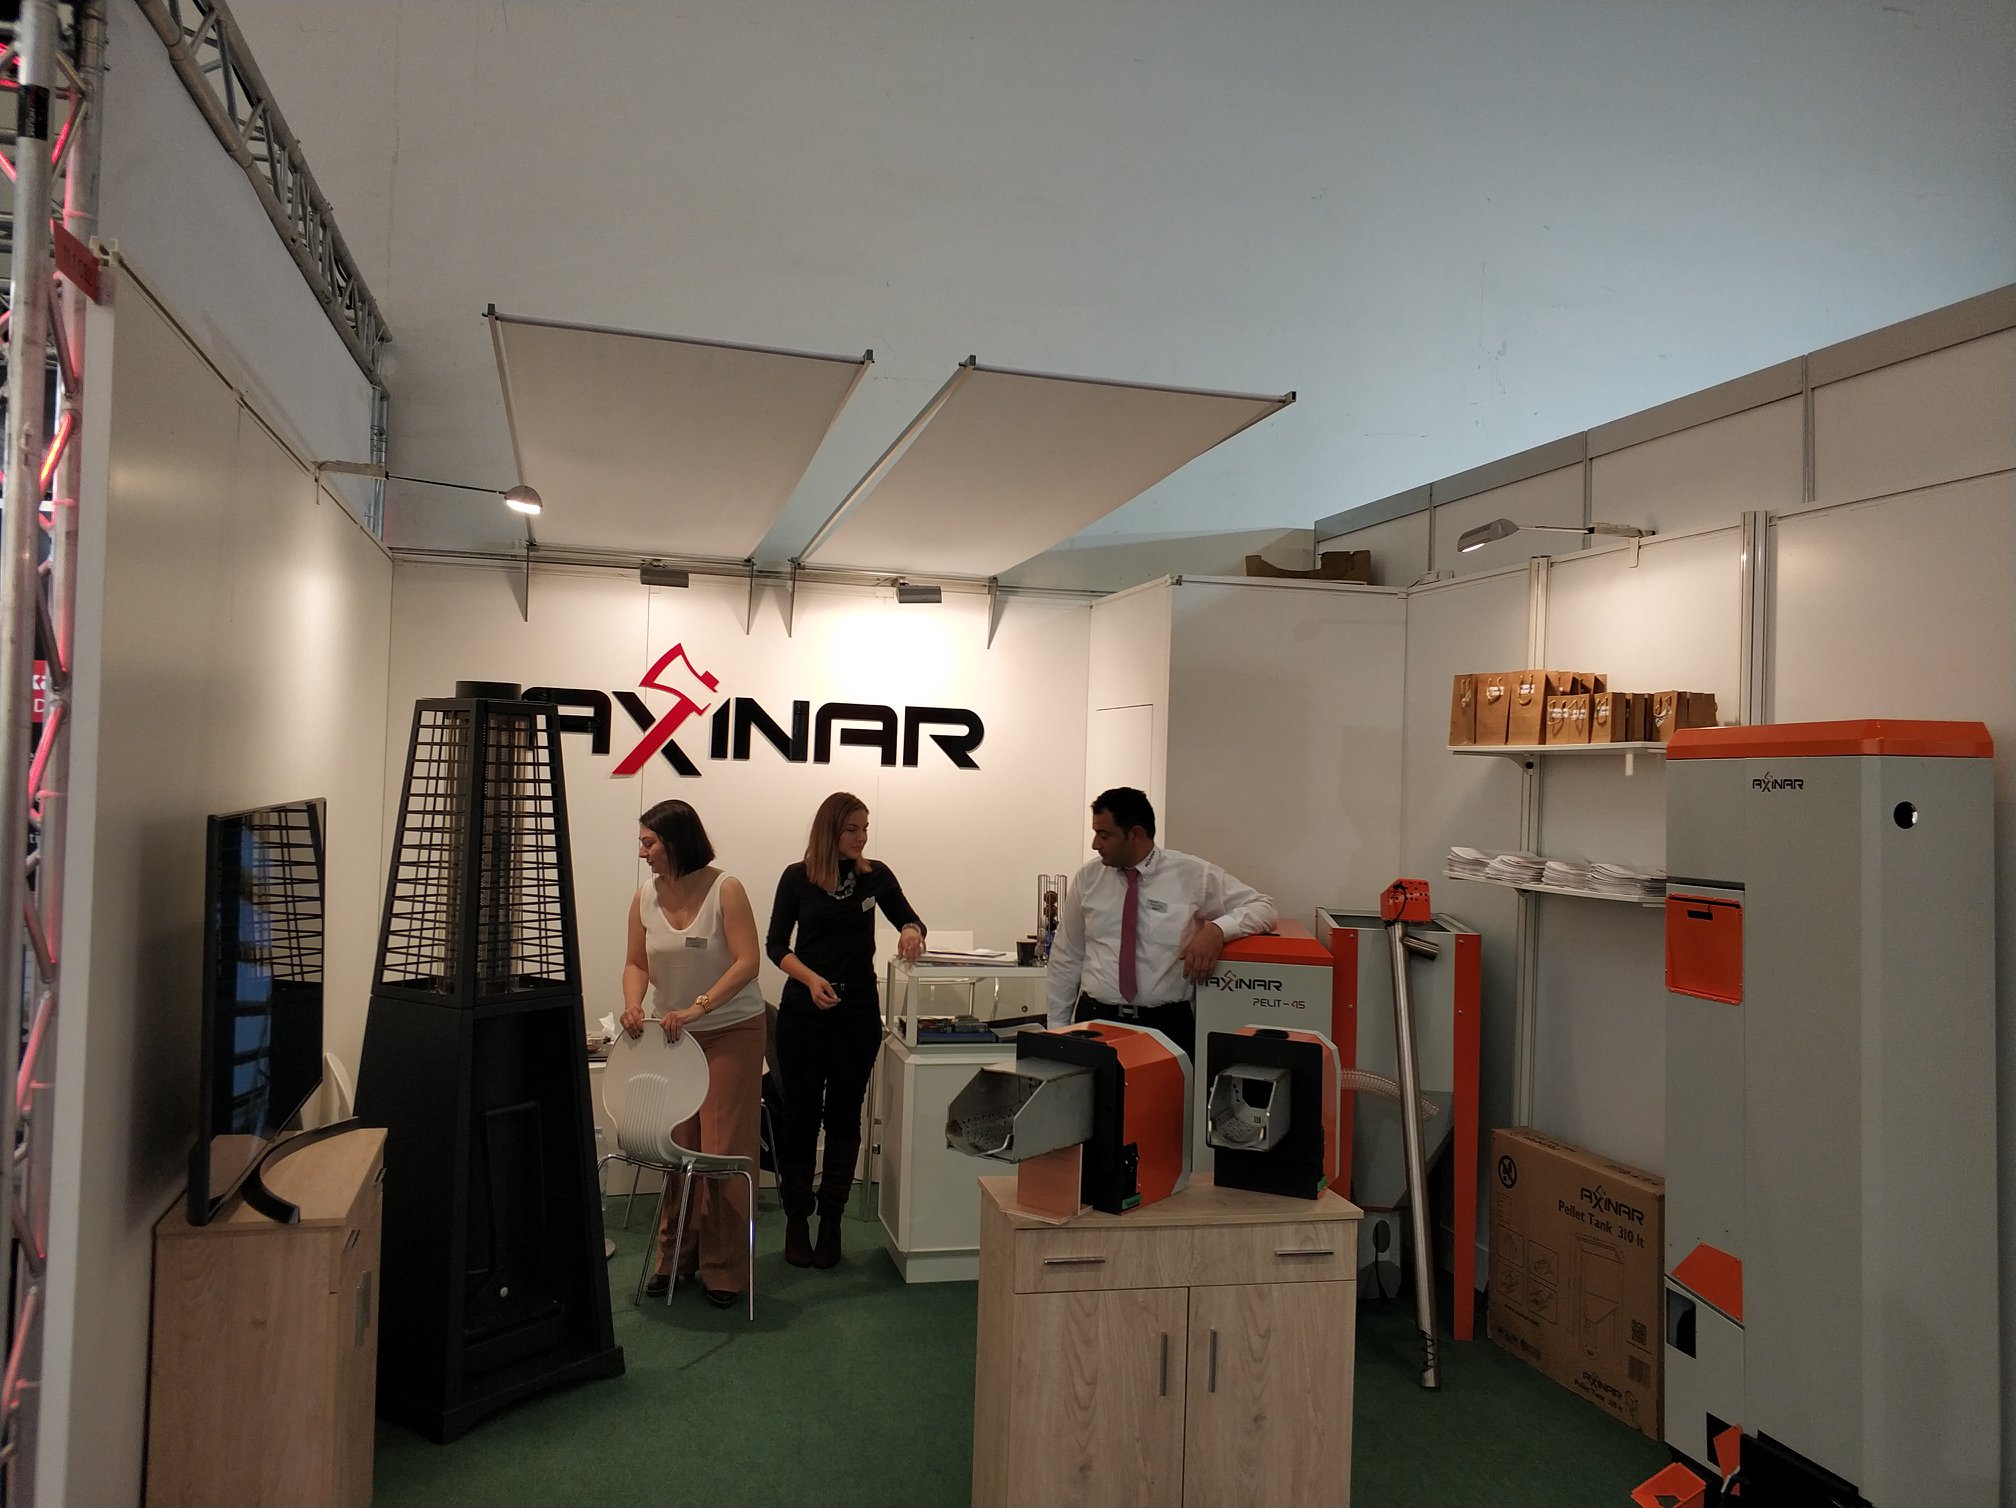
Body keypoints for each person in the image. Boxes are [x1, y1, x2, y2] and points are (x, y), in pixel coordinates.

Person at [766, 792, 926, 1269]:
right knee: (800, 1117)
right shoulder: (796, 878)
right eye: (853, 829)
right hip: (804, 1010)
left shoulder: (875, 876)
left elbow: (910, 917)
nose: (862, 837)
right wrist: (810, 979)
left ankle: (831, 1219)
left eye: (865, 828)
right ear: (830, 830)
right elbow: (776, 946)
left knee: (844, 1115)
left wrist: (912, 931)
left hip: (856, 1011)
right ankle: (797, 1219)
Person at [619, 799, 766, 1309]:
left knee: (722, 1149)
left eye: (649, 843)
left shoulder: (726, 889)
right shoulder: (644, 896)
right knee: (677, 1146)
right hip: (673, 1035)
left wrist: (700, 1007)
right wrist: (633, 1003)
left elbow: (748, 962)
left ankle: (724, 1268)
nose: (642, 853)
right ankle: (673, 1257)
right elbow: (636, 963)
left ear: (676, 842)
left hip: (730, 1030)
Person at [1045, 786, 1277, 1063]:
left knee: (1165, 1094)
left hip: (1167, 1026)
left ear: (1135, 834)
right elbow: (1066, 957)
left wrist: (1216, 931)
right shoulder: (1088, 878)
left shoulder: (1192, 875)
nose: (1095, 844)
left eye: (1104, 835)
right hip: (1096, 1020)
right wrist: (1056, 1032)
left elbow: (1263, 907)